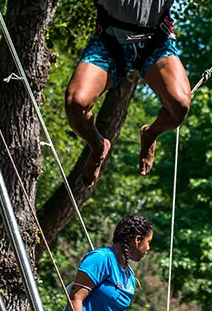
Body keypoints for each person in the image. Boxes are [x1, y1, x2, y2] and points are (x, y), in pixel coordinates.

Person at [65, 0, 192, 187]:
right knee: (75, 104)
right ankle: (98, 146)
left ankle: (150, 134)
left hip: (156, 43)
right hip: (109, 42)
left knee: (179, 106)